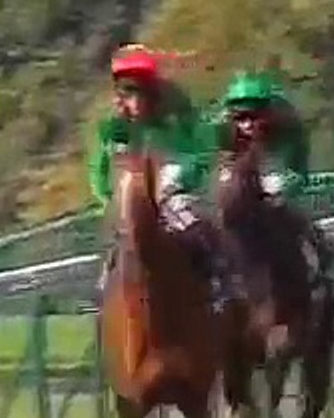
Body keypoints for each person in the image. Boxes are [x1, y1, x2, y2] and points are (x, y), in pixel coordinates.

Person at [88, 44, 242, 307]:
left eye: (140, 89)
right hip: (133, 184)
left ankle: (220, 277)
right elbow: (99, 167)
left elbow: (200, 148)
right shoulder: (111, 124)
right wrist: (107, 198)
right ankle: (105, 295)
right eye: (127, 89)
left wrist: (183, 173)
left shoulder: (178, 111)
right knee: (122, 232)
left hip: (176, 178)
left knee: (186, 217)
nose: (134, 99)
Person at [204, 70, 327, 281]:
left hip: (277, 182)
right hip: (237, 184)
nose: (248, 125)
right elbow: (207, 161)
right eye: (240, 118)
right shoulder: (219, 128)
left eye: (254, 116)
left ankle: (313, 269)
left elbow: (298, 171)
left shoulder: (289, 126)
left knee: (296, 219)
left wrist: (283, 184)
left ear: (269, 112)